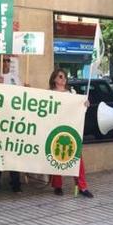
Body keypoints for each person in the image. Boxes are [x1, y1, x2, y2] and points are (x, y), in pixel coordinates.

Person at [48, 69, 94, 198]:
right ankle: (57, 185)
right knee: (56, 157)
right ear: (54, 79)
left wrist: (85, 104)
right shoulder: (49, 94)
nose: (64, 79)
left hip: (71, 129)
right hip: (55, 128)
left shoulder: (72, 93)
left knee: (77, 158)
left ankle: (82, 186)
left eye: (65, 77)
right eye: (61, 76)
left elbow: (79, 108)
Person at [0, 54, 22, 193]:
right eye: (2, 60)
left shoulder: (16, 78)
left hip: (12, 121)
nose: (6, 63)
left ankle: (16, 183)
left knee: (13, 152)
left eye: (8, 60)